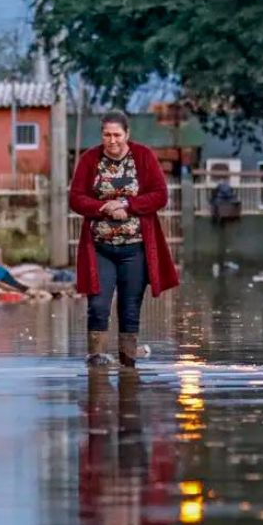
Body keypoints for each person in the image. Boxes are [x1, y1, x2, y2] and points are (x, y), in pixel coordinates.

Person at [70, 111, 180, 367]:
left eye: (117, 135)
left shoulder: (143, 157)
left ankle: (128, 359)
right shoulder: (90, 159)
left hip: (135, 248)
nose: (112, 140)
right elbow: (76, 198)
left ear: (127, 134)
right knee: (98, 304)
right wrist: (104, 207)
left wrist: (127, 205)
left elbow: (159, 195)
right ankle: (96, 357)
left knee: (130, 307)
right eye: (107, 135)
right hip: (100, 248)